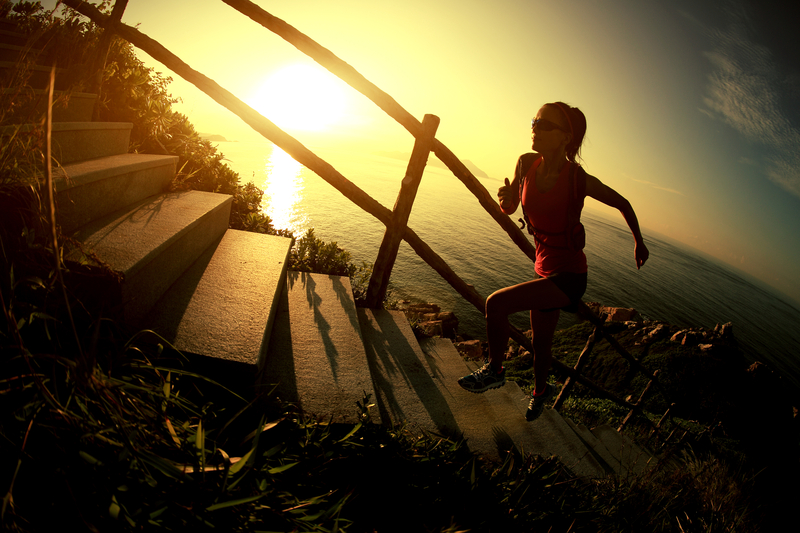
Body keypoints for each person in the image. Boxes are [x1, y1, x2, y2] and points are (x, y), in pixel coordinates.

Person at [457, 101, 649, 422]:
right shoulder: (526, 163)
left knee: (496, 305)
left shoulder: (578, 179)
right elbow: (511, 207)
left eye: (545, 124)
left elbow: (623, 202)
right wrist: (506, 199)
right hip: (544, 270)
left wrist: (638, 242)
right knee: (541, 346)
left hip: (571, 277)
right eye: (535, 120)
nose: (535, 127)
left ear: (565, 138)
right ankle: (540, 394)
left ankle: (494, 370)